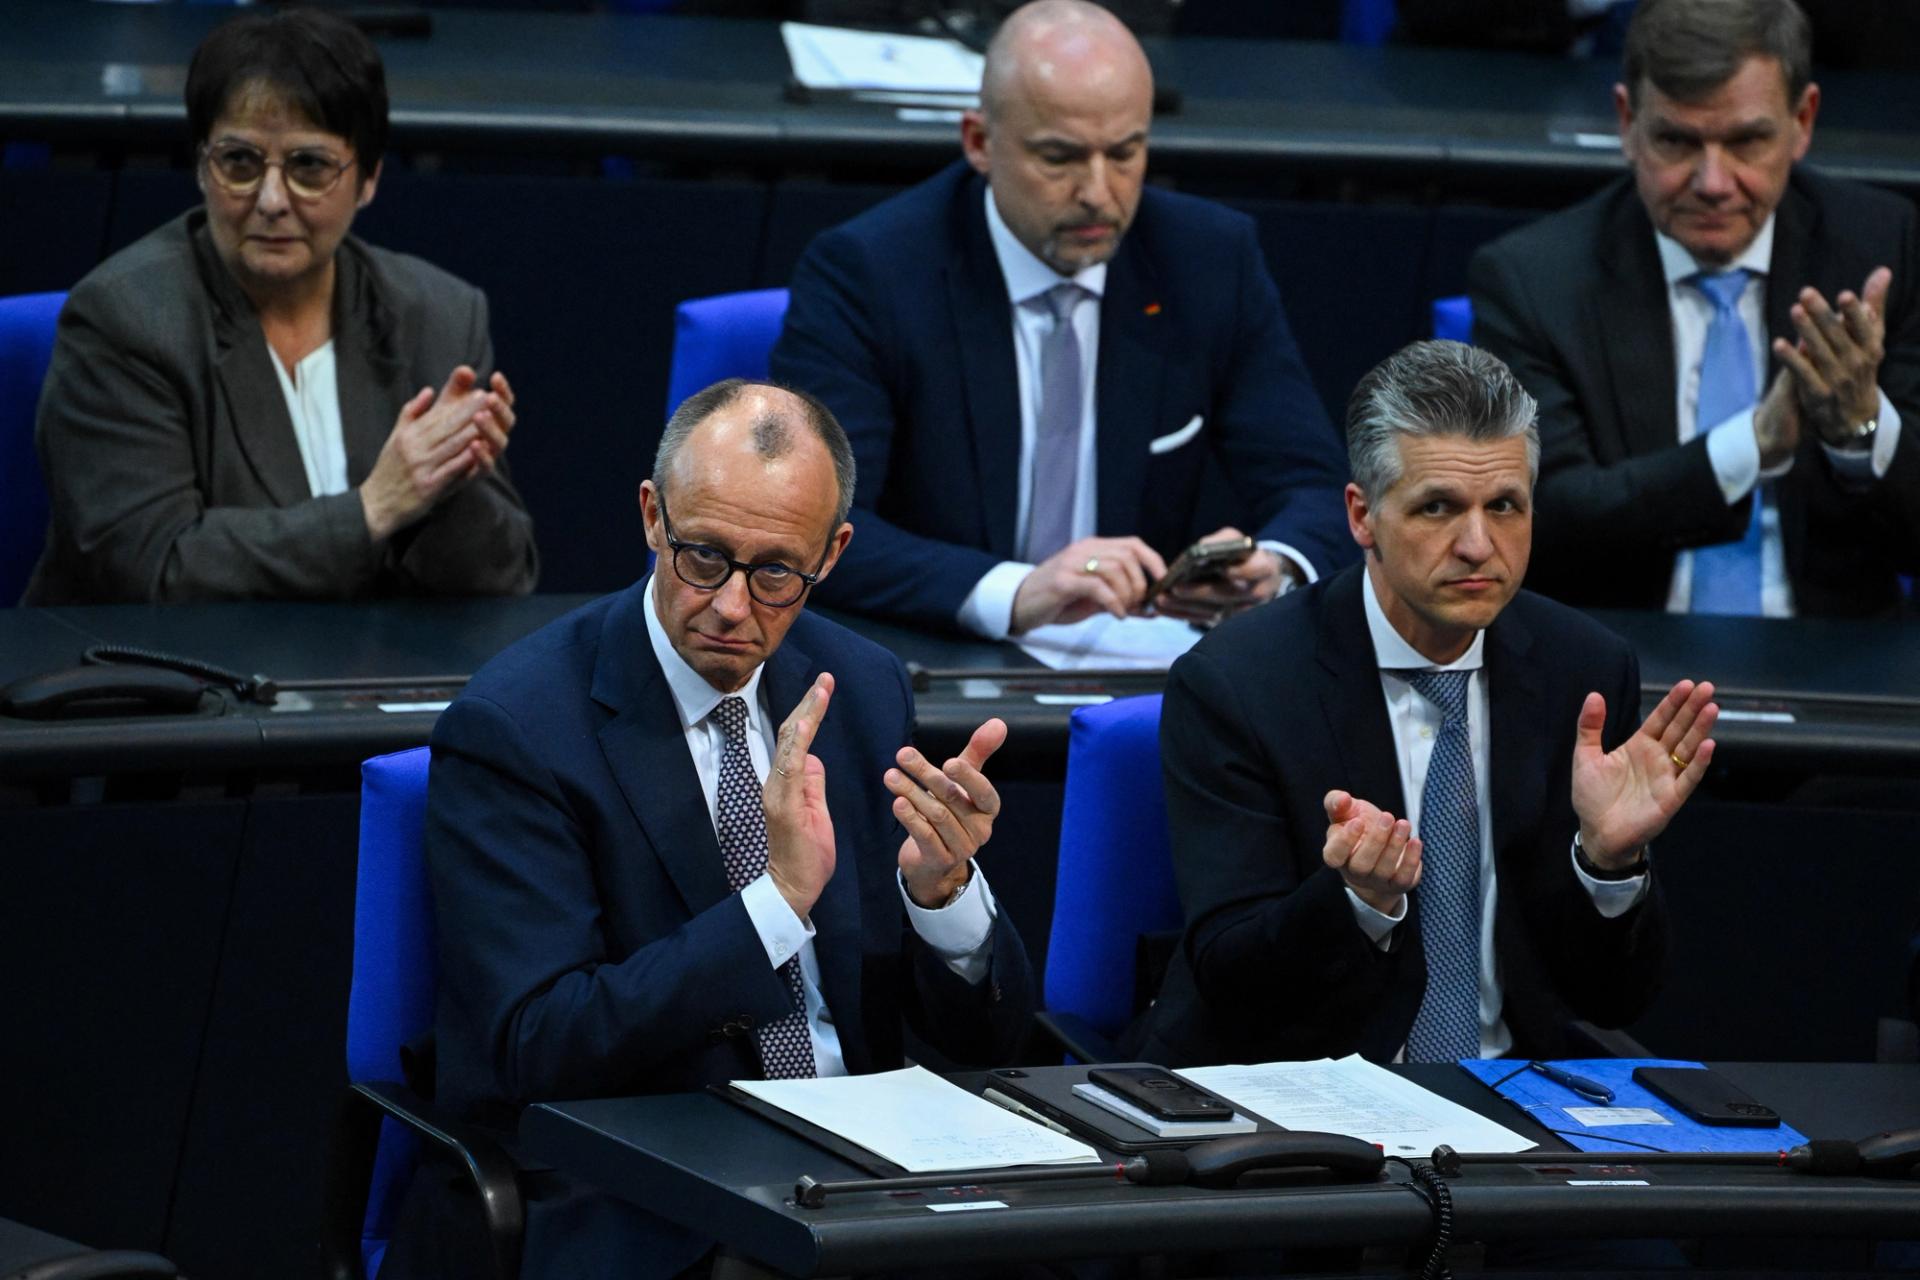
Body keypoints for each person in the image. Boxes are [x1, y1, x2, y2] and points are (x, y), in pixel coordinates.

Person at [384, 380, 1034, 1280]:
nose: (732, 606)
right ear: (653, 517)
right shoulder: (519, 726)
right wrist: (775, 906)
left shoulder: (861, 686)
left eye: (776, 573)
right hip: (636, 1196)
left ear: (832, 554)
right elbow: (541, 1045)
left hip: (859, 1180)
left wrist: (942, 898)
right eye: (703, 557)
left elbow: (984, 1041)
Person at [1133, 340, 1718, 1067]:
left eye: (1505, 505)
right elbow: (1233, 982)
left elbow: (1613, 1002)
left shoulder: (1585, 670)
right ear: (1362, 515)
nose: (1478, 544)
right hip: (1302, 1095)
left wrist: (1608, 863)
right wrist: (1357, 901)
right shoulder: (1238, 684)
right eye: (1438, 507)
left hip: (1514, 1098)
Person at [769, 0, 1351, 645]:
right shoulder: (871, 272)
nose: (1099, 192)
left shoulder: (1209, 262)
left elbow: (1317, 488)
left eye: (1125, 153)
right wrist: (1020, 590)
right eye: (1060, 158)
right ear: (979, 143)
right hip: (939, 664)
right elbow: (814, 526)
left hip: (1141, 671)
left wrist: (1274, 566)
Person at [25, 8, 537, 605]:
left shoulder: (437, 313)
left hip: (365, 678)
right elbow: (157, 569)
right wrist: (376, 507)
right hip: (172, 681)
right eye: (239, 163)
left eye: (309, 167)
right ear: (200, 165)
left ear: (367, 178)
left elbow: (503, 581)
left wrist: (453, 484)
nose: (271, 199)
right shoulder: (126, 319)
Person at [1469, 0, 1919, 617]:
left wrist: (1860, 432)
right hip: (1624, 662)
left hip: (1837, 661)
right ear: (1628, 122)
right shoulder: (1532, 279)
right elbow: (1543, 522)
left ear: (1803, 121)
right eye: (1678, 141)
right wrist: (1752, 445)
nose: (1712, 181)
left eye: (1747, 141)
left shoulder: (1881, 249)